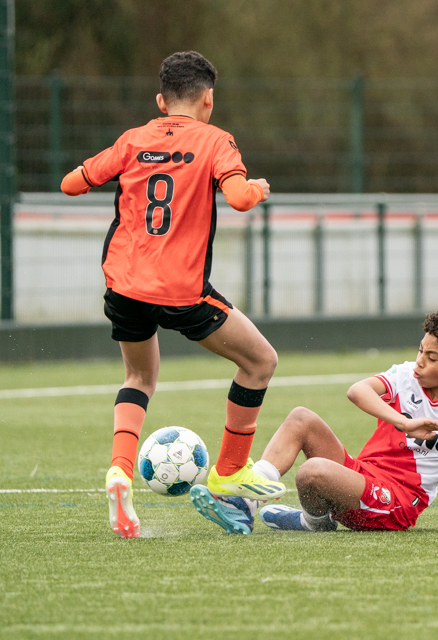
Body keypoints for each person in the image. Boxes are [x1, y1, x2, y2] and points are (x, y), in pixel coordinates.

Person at [61, 51, 286, 538]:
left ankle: (120, 470)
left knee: (139, 376)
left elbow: (70, 184)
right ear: (208, 99)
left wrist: (123, 169)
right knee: (259, 362)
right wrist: (261, 188)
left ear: (161, 101)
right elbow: (242, 199)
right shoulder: (215, 140)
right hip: (180, 291)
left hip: (124, 284)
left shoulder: (133, 140)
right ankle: (229, 471)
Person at [189, 308, 438, 535]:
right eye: (420, 351)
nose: (419, 362)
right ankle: (245, 502)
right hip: (363, 474)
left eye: (432, 358)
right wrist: (403, 421)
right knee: (301, 418)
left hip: (396, 503)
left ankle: (314, 521)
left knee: (313, 473)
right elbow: (357, 390)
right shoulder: (405, 376)